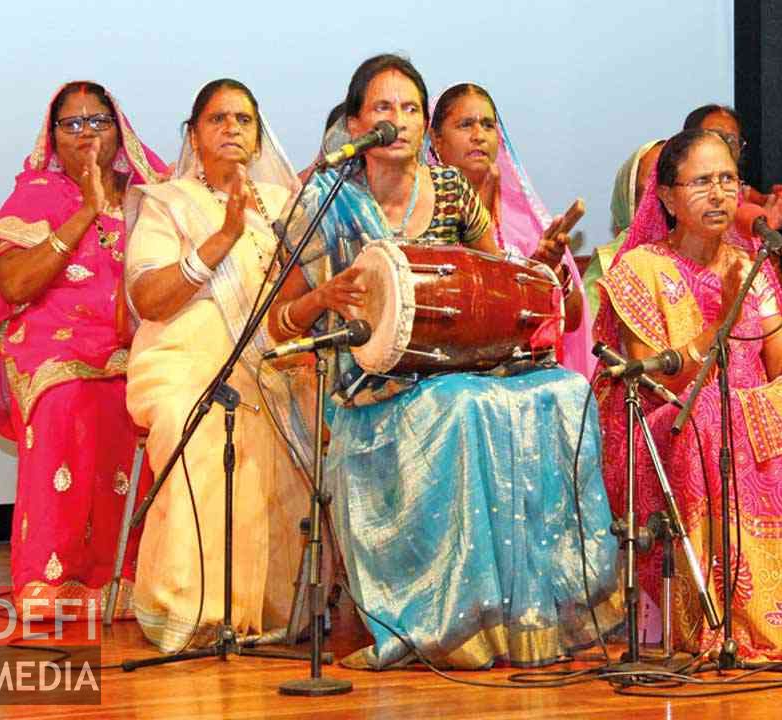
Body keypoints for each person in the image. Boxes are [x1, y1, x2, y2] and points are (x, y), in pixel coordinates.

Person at [268, 54, 620, 670]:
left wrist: (538, 261)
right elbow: (278, 320)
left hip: (461, 371)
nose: (398, 122)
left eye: (410, 109)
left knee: (565, 390)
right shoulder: (324, 200)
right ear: (355, 127)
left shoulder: (453, 191)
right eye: (383, 109)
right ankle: (453, 622)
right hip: (374, 391)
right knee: (460, 407)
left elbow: (502, 282)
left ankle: (534, 615)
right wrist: (322, 298)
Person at [595, 128, 782, 660]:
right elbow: (658, 380)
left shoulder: (751, 265)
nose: (719, 195)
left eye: (728, 180)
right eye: (701, 182)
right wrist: (715, 324)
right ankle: (728, 613)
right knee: (715, 422)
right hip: (671, 415)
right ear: (668, 197)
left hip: (742, 407)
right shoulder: (639, 270)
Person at [123, 79, 311, 652]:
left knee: (314, 422)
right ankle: (193, 611)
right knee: (195, 422)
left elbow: (296, 307)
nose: (232, 128)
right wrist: (224, 237)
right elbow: (148, 300)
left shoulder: (285, 208)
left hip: (270, 366)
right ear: (194, 133)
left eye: (244, 119)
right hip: (181, 362)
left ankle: (281, 608)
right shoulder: (166, 201)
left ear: (258, 138)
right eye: (217, 119)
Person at [0, 82, 167, 617]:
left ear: (119, 128)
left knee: (158, 399)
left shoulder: (151, 194)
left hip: (136, 340)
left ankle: (133, 580)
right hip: (55, 343)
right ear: (52, 137)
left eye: (97, 120)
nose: (86, 134)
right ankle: (51, 583)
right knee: (68, 399)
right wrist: (84, 210)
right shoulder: (37, 194)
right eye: (72, 124)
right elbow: (11, 285)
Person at [426, 82, 593, 376]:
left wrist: (550, 271)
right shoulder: (423, 214)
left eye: (488, 125)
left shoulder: (528, 223)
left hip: (522, 372)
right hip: (445, 374)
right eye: (465, 124)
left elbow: (574, 321)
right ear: (436, 140)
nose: (479, 135)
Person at [582, 139, 663, 321]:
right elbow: (588, 342)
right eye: (653, 187)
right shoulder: (609, 264)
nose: (666, 194)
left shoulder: (716, 254)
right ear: (629, 199)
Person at [682, 104, 782, 230]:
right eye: (716, 135)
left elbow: (756, 199)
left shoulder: (740, 190)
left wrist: (772, 201)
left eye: (732, 139)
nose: (725, 144)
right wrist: (766, 230)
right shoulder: (683, 188)